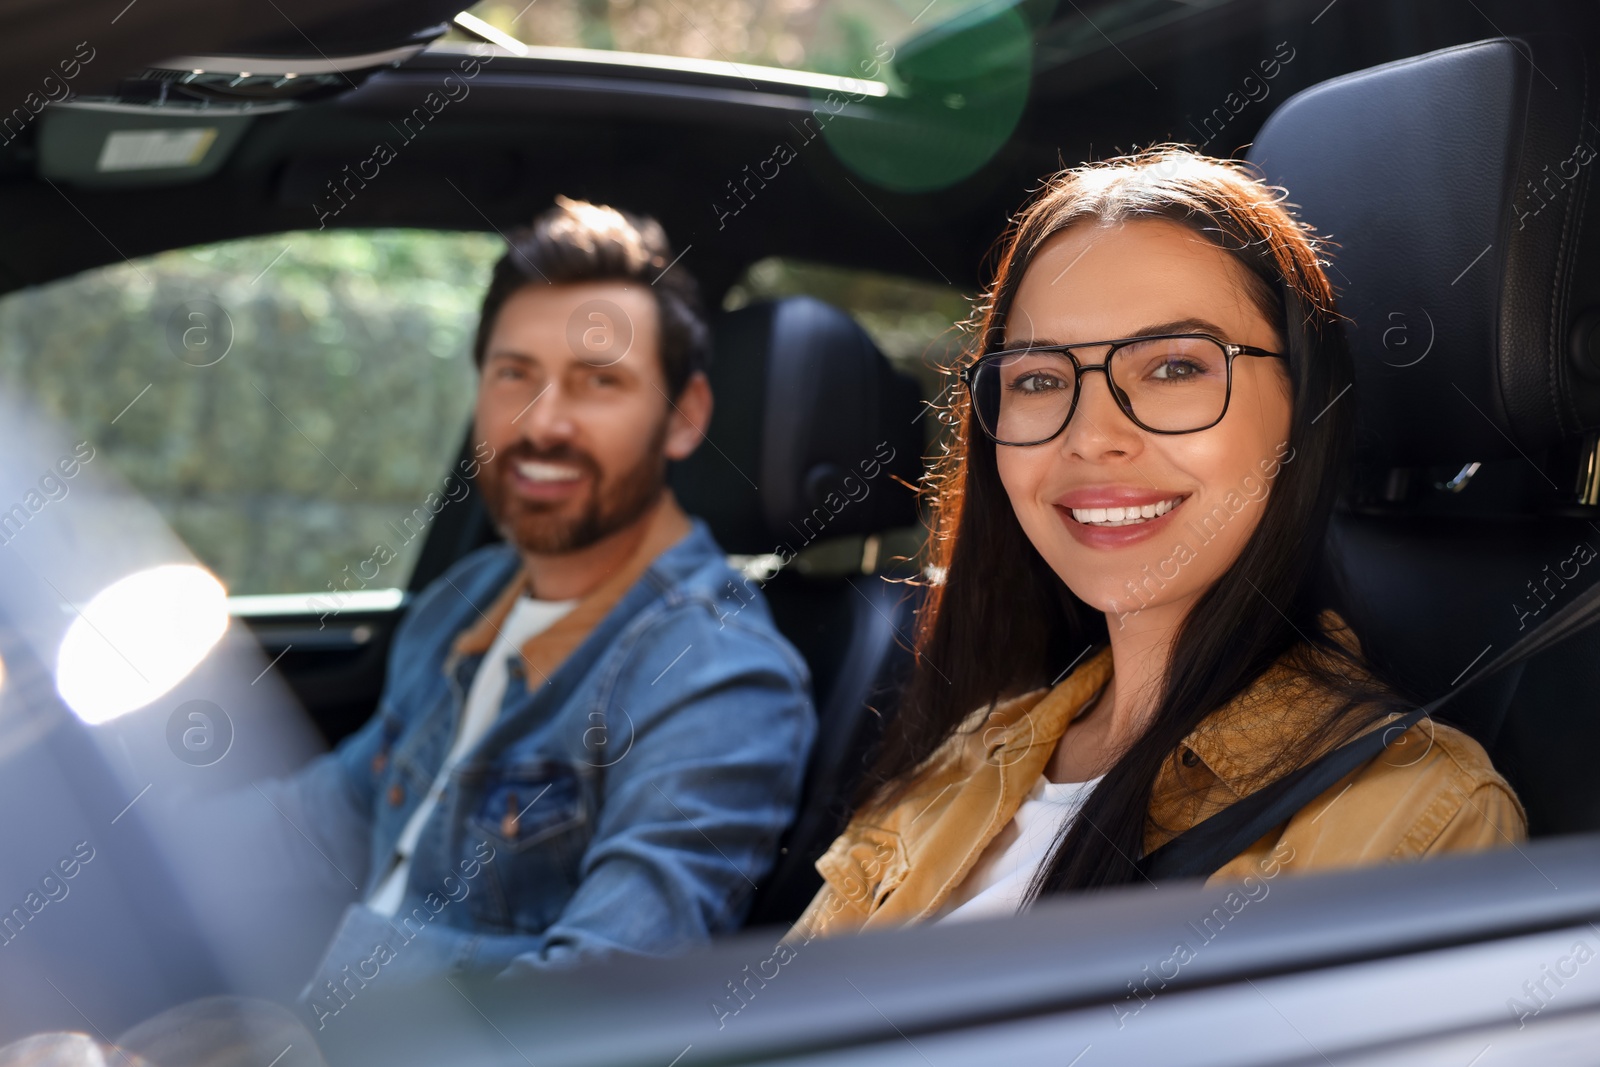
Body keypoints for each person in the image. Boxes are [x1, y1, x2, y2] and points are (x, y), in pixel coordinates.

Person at [787, 149, 1524, 940]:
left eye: (1174, 366)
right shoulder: (969, 752)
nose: (1091, 436)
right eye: (1038, 379)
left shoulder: (1411, 817)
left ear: (1303, 409)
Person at [237, 196, 813, 1013]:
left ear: (683, 418)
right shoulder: (468, 598)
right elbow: (316, 819)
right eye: (515, 374)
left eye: (599, 382)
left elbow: (594, 1002)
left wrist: (341, 965)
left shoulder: (716, 678)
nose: (543, 423)